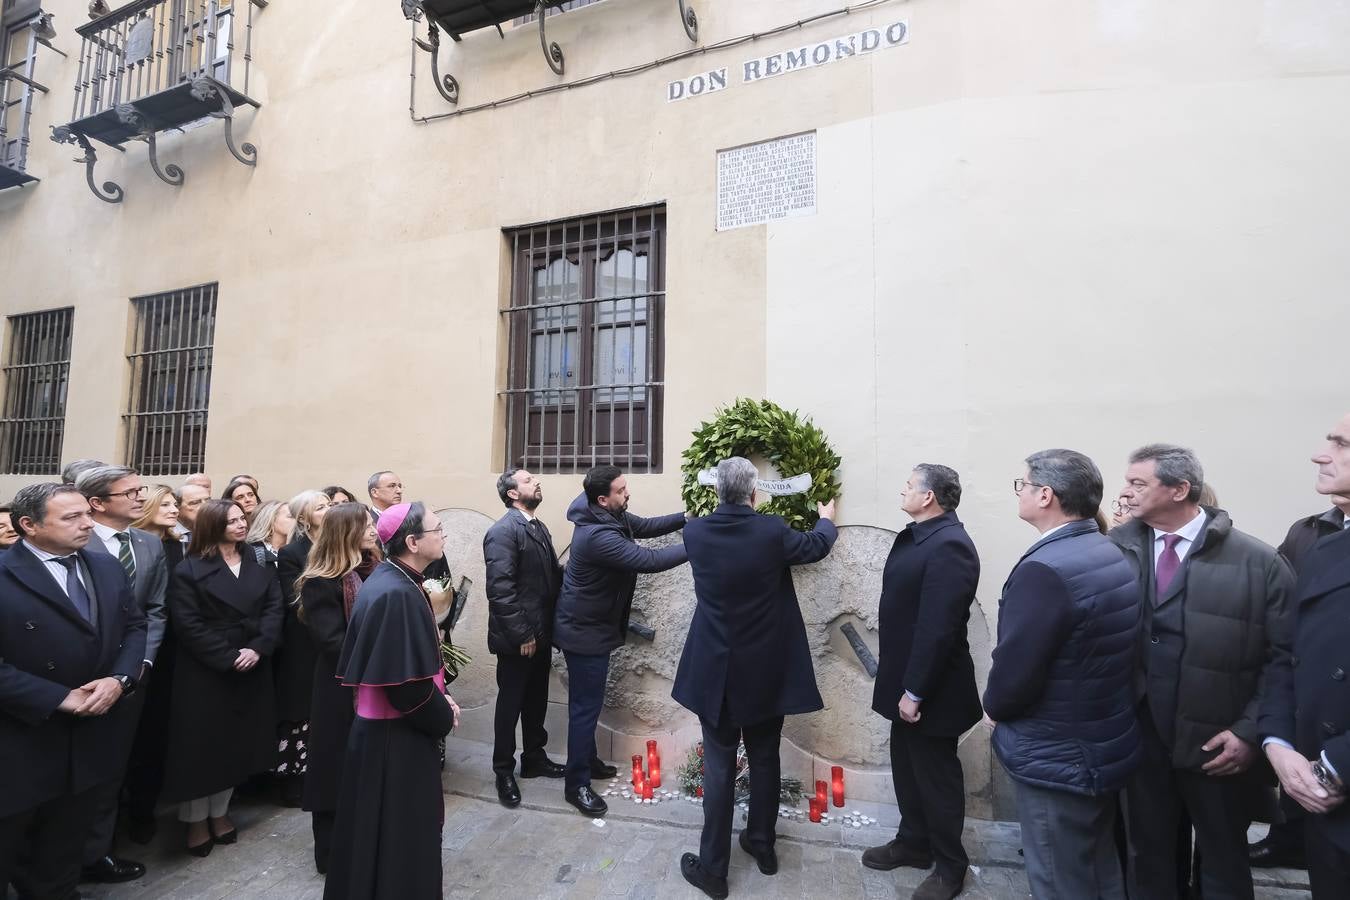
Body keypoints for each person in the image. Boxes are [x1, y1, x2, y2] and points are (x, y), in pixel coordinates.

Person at [1110, 444, 1293, 900]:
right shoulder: (1111, 550)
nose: (1125, 493)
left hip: (1219, 744)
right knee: (1148, 858)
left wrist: (1250, 732)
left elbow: (1287, 657)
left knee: (1223, 861)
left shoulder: (1259, 562)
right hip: (1141, 739)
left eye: (1138, 483)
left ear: (1179, 490)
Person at [672, 457, 838, 900]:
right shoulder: (771, 531)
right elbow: (814, 546)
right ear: (753, 494)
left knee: (720, 766)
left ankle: (713, 870)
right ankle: (762, 845)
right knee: (765, 758)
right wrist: (826, 520)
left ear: (718, 491)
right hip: (765, 671)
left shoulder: (695, 531)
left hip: (715, 674)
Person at [984, 449, 1141, 900]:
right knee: (1098, 869)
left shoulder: (1046, 568)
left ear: (1046, 495)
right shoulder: (1103, 549)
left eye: (1023, 485)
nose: (1020, 493)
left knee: (1059, 877)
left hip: (1058, 752)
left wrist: (995, 708)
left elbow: (1018, 666)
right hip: (1096, 740)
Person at [0, 483, 146, 900]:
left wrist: (119, 679)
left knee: (61, 857)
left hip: (87, 743)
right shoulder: (4, 573)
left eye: (87, 513)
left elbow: (134, 627)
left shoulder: (105, 566)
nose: (88, 523)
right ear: (28, 525)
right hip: (21, 740)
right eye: (72, 517)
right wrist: (57, 697)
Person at [324, 502, 461, 900]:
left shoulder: (395, 579)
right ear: (413, 541)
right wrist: (442, 714)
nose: (443, 535)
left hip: (384, 736)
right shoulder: (397, 591)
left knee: (378, 836)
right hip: (394, 740)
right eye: (437, 529)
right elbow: (407, 689)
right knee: (400, 838)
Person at [863, 464, 981, 900]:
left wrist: (916, 691)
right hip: (905, 681)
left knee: (936, 778)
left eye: (909, 485)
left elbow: (939, 626)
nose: (903, 489)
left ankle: (951, 866)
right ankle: (913, 843)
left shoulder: (951, 545)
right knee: (908, 770)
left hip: (934, 689)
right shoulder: (918, 536)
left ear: (929, 497)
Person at [553, 465, 689, 817]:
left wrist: (686, 518)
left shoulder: (610, 516)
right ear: (603, 499)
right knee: (584, 709)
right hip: (583, 633)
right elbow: (649, 560)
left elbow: (643, 527)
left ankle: (588, 761)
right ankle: (576, 784)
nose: (627, 494)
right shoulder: (597, 536)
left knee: (590, 705)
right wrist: (697, 544)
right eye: (621, 490)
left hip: (593, 627)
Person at [162, 500, 283, 856]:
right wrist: (228, 656)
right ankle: (196, 821)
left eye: (242, 519)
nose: (241, 524)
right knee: (201, 749)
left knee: (236, 745)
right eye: (231, 521)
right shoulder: (189, 570)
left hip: (252, 662)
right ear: (213, 525)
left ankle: (221, 812)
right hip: (208, 670)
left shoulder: (258, 567)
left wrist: (258, 648)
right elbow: (188, 625)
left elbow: (275, 611)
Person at [1261, 413, 1350, 897]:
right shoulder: (1321, 548)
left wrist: (1337, 765)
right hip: (1320, 805)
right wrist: (1277, 742)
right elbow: (1286, 654)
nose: (1321, 454)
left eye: (1341, 444)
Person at [73, 466, 170, 885]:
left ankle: (97, 853)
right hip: (77, 679)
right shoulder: (75, 540)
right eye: (129, 492)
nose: (139, 497)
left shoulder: (148, 545)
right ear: (97, 503)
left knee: (113, 769)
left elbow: (155, 610)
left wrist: (139, 665)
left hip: (132, 676)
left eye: (140, 489)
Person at [296, 503, 377, 874]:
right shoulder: (321, 580)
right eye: (366, 525)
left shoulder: (372, 569)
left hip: (371, 683)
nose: (374, 529)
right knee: (333, 766)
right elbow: (333, 641)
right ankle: (329, 854)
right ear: (346, 533)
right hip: (338, 687)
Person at [484, 468, 567, 808]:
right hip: (519, 637)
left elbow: (549, 577)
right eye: (529, 479)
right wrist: (522, 634)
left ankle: (534, 758)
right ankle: (504, 769)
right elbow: (500, 590)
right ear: (513, 493)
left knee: (536, 700)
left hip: (541, 633)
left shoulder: (538, 526)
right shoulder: (503, 531)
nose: (537, 481)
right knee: (511, 703)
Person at [123, 485, 185, 843]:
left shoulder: (177, 546)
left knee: (153, 734)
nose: (173, 508)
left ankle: (142, 810)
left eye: (175, 503)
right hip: (130, 649)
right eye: (165, 503)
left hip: (167, 650)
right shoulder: (130, 544)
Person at [273, 490, 330, 804]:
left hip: (334, 638)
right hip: (304, 640)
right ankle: (295, 778)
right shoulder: (293, 552)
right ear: (306, 518)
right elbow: (293, 598)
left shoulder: (340, 544)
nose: (329, 510)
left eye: (329, 505)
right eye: (321, 507)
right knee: (301, 710)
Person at [245, 500, 293, 568]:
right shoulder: (252, 551)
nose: (296, 520)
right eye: (290, 516)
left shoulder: (299, 548)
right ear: (271, 519)